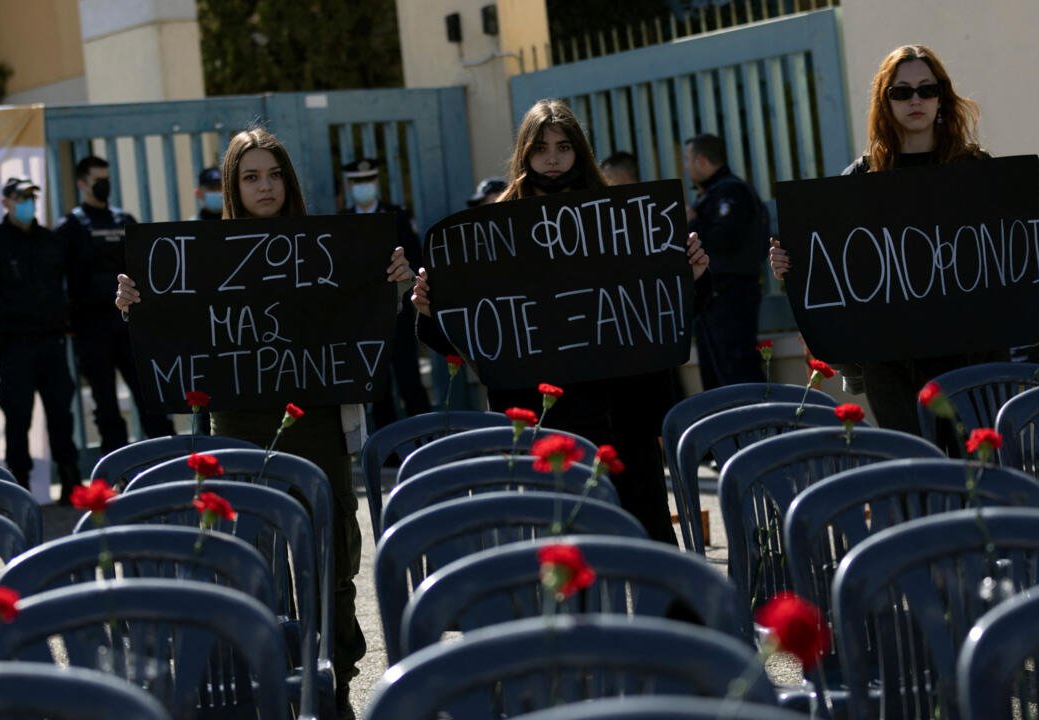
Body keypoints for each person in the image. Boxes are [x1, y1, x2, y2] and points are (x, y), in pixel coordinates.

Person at [115, 127, 413, 719]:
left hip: (317, 428)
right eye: (250, 176)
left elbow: (363, 320)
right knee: (250, 559)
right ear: (233, 185)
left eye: (273, 174)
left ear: (289, 181)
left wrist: (393, 287)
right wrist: (136, 306)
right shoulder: (202, 256)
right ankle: (264, 691)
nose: (265, 186)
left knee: (329, 562)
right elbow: (175, 331)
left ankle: (333, 689)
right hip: (237, 429)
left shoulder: (330, 245)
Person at [411, 99, 711, 544]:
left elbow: (661, 310)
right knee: (563, 542)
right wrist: (431, 309)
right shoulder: (494, 229)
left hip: (624, 409)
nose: (552, 159)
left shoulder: (620, 217)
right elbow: (469, 332)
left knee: (644, 532)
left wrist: (693, 276)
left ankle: (664, 614)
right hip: (544, 411)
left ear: (580, 153)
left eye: (564, 147)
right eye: (541, 148)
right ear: (524, 154)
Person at [768, 44, 1039, 436]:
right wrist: (789, 265)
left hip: (974, 352)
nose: (916, 100)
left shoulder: (976, 170)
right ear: (885, 101)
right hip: (892, 364)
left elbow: (1007, 248)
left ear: (942, 97)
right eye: (901, 91)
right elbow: (830, 265)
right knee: (915, 474)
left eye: (927, 89)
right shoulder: (861, 180)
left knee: (977, 470)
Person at [0, 178, 81, 497]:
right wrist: (2, 324)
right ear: (6, 202)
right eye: (21, 197)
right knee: (18, 418)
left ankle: (71, 479)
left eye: (31, 196)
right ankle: (20, 488)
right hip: (15, 347)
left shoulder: (50, 241)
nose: (28, 202)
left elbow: (68, 283)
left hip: (52, 343)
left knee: (61, 413)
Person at [55, 156, 174, 456]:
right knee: (106, 404)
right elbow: (56, 277)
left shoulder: (124, 220)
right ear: (82, 183)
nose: (104, 184)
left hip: (128, 324)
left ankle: (168, 460)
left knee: (150, 399)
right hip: (91, 328)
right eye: (98, 179)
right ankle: (117, 469)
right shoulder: (70, 227)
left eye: (107, 177)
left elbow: (145, 268)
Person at [340, 158, 431, 429]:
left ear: (376, 182)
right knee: (378, 386)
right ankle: (387, 455)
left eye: (367, 180)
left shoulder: (397, 216)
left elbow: (414, 258)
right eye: (357, 182)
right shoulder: (343, 221)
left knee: (409, 380)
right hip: (364, 318)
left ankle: (425, 438)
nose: (363, 187)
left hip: (398, 311)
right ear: (350, 186)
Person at [684, 134, 768, 390]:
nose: (686, 167)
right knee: (717, 381)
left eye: (688, 160)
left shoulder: (730, 191)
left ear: (700, 160)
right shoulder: (713, 193)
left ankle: (753, 427)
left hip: (730, 295)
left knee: (738, 376)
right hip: (713, 299)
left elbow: (724, 239)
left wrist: (692, 222)